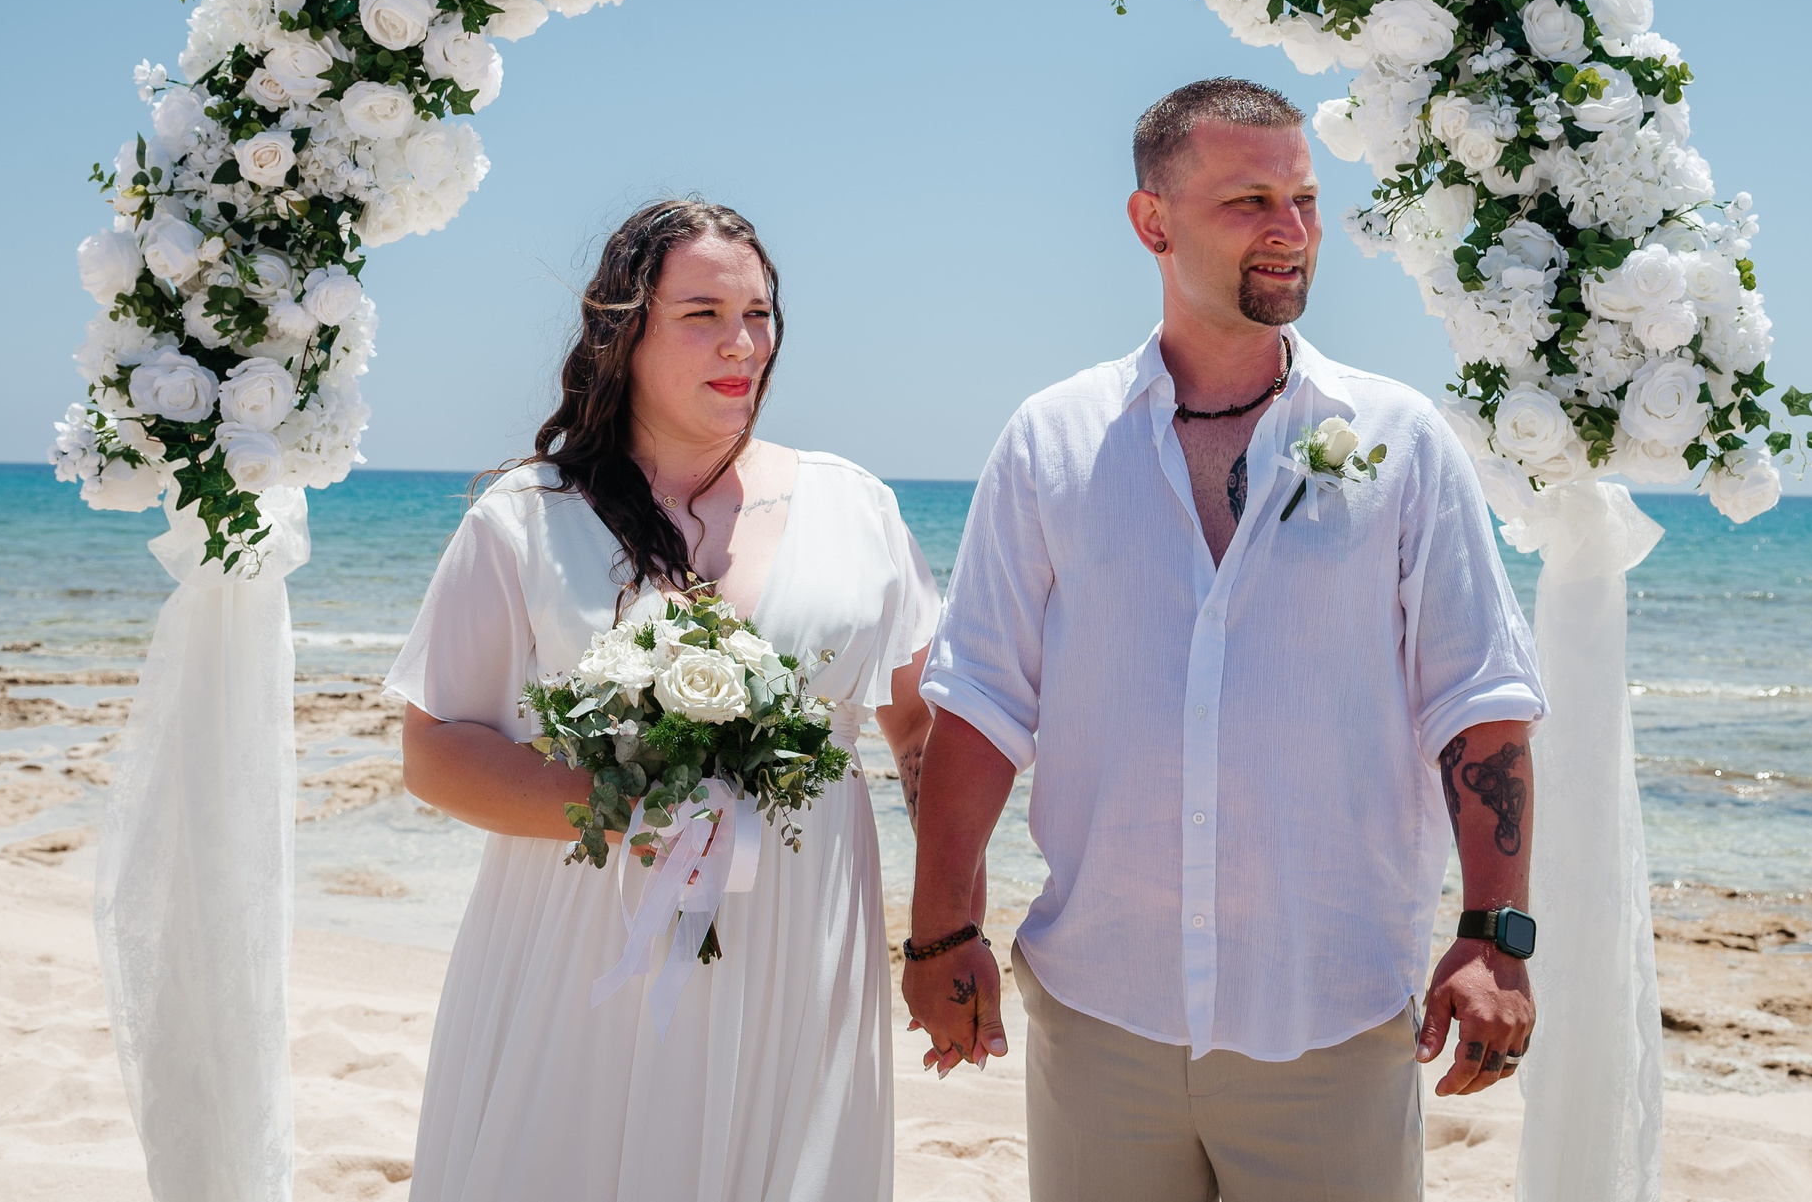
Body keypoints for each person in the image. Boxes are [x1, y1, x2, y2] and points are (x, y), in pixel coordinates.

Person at [903, 79, 1545, 1201]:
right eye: (1249, 200)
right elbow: (982, 701)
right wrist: (937, 929)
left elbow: (1476, 696)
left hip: (1331, 1011)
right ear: (1152, 221)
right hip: (1099, 1005)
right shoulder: (1049, 438)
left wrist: (1495, 932)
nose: (1291, 231)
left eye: (1302, 197)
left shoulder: (1402, 439)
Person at [387, 198, 938, 1202]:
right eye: (702, 313)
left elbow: (920, 732)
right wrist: (641, 816)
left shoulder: (855, 507)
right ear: (623, 332)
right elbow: (435, 749)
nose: (743, 343)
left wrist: (946, 925)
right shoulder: (527, 516)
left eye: (760, 313)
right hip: (582, 936)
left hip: (799, 944)